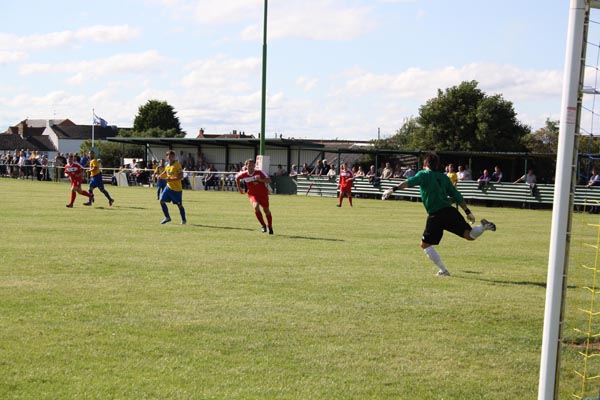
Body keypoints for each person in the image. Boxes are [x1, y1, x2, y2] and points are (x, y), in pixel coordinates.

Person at [382, 152, 496, 276]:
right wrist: (467, 211)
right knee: (469, 235)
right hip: (450, 211)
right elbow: (456, 194)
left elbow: (408, 182)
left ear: (426, 164)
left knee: (425, 244)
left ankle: (444, 270)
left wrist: (392, 189)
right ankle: (483, 227)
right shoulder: (444, 177)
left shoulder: (423, 174)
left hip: (436, 215)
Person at [236, 158, 274, 234]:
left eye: (252, 165)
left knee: (266, 210)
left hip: (263, 194)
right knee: (256, 207)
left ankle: (269, 226)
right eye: (249, 165)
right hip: (252, 194)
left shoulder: (259, 172)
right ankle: (263, 225)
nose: (251, 167)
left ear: (254, 165)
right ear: (246, 166)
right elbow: (237, 178)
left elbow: (269, 180)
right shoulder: (244, 174)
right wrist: (239, 188)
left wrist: (261, 180)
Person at [158, 150, 187, 225]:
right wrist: (160, 175)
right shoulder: (167, 165)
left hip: (177, 189)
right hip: (168, 187)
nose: (170, 157)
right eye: (169, 156)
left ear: (174, 157)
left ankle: (183, 219)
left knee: (179, 205)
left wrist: (171, 179)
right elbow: (166, 171)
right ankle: (167, 217)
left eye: (172, 156)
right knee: (161, 201)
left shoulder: (177, 165)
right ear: (167, 157)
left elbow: (181, 176)